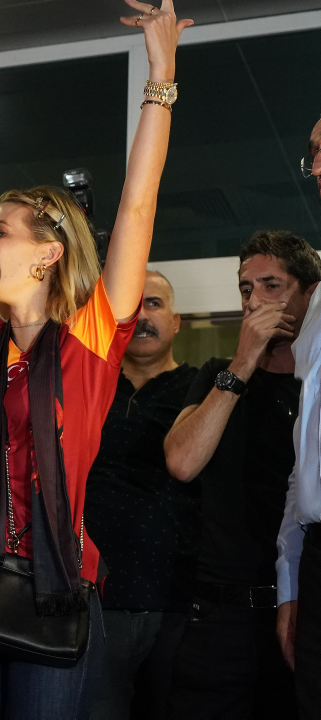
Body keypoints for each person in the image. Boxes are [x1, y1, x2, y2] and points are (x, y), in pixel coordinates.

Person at [0, 0, 190, 718]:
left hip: (56, 590)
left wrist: (160, 78)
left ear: (49, 253)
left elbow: (137, 206)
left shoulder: (90, 338)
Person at [164, 231, 319, 718]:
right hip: (221, 613)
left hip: (302, 603)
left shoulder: (314, 386)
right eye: (246, 289)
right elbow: (181, 461)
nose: (254, 301)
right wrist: (244, 362)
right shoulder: (218, 372)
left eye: (271, 285)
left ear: (310, 293)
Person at [85, 270, 199, 719]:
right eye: (133, 307)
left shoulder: (203, 390)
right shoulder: (87, 387)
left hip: (178, 601)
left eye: (154, 304)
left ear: (176, 321)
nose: (143, 316)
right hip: (93, 603)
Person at [275, 117, 321, 719]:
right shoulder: (318, 306)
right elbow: (303, 459)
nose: (319, 168)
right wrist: (290, 584)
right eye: (314, 153)